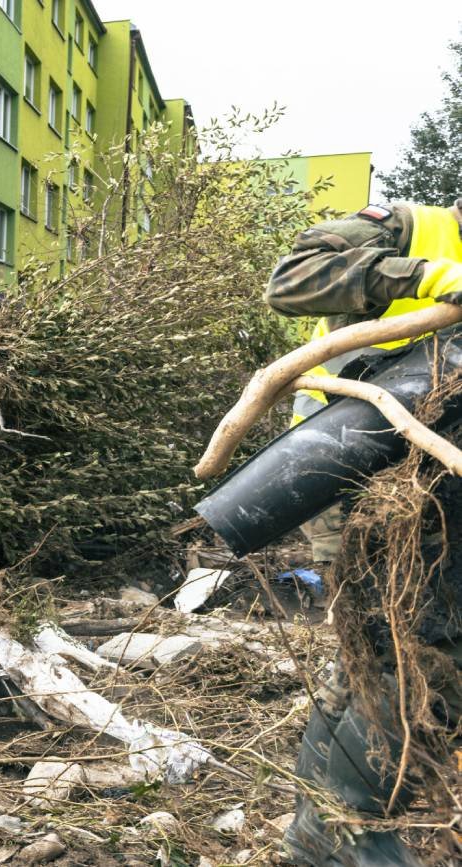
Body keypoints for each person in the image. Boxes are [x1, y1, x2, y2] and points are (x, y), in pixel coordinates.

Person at [265, 198, 462, 866]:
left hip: (435, 483)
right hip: (352, 474)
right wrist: (427, 275)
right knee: (422, 656)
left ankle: (321, 829)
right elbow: (290, 280)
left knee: (370, 655)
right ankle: (351, 825)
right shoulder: (408, 228)